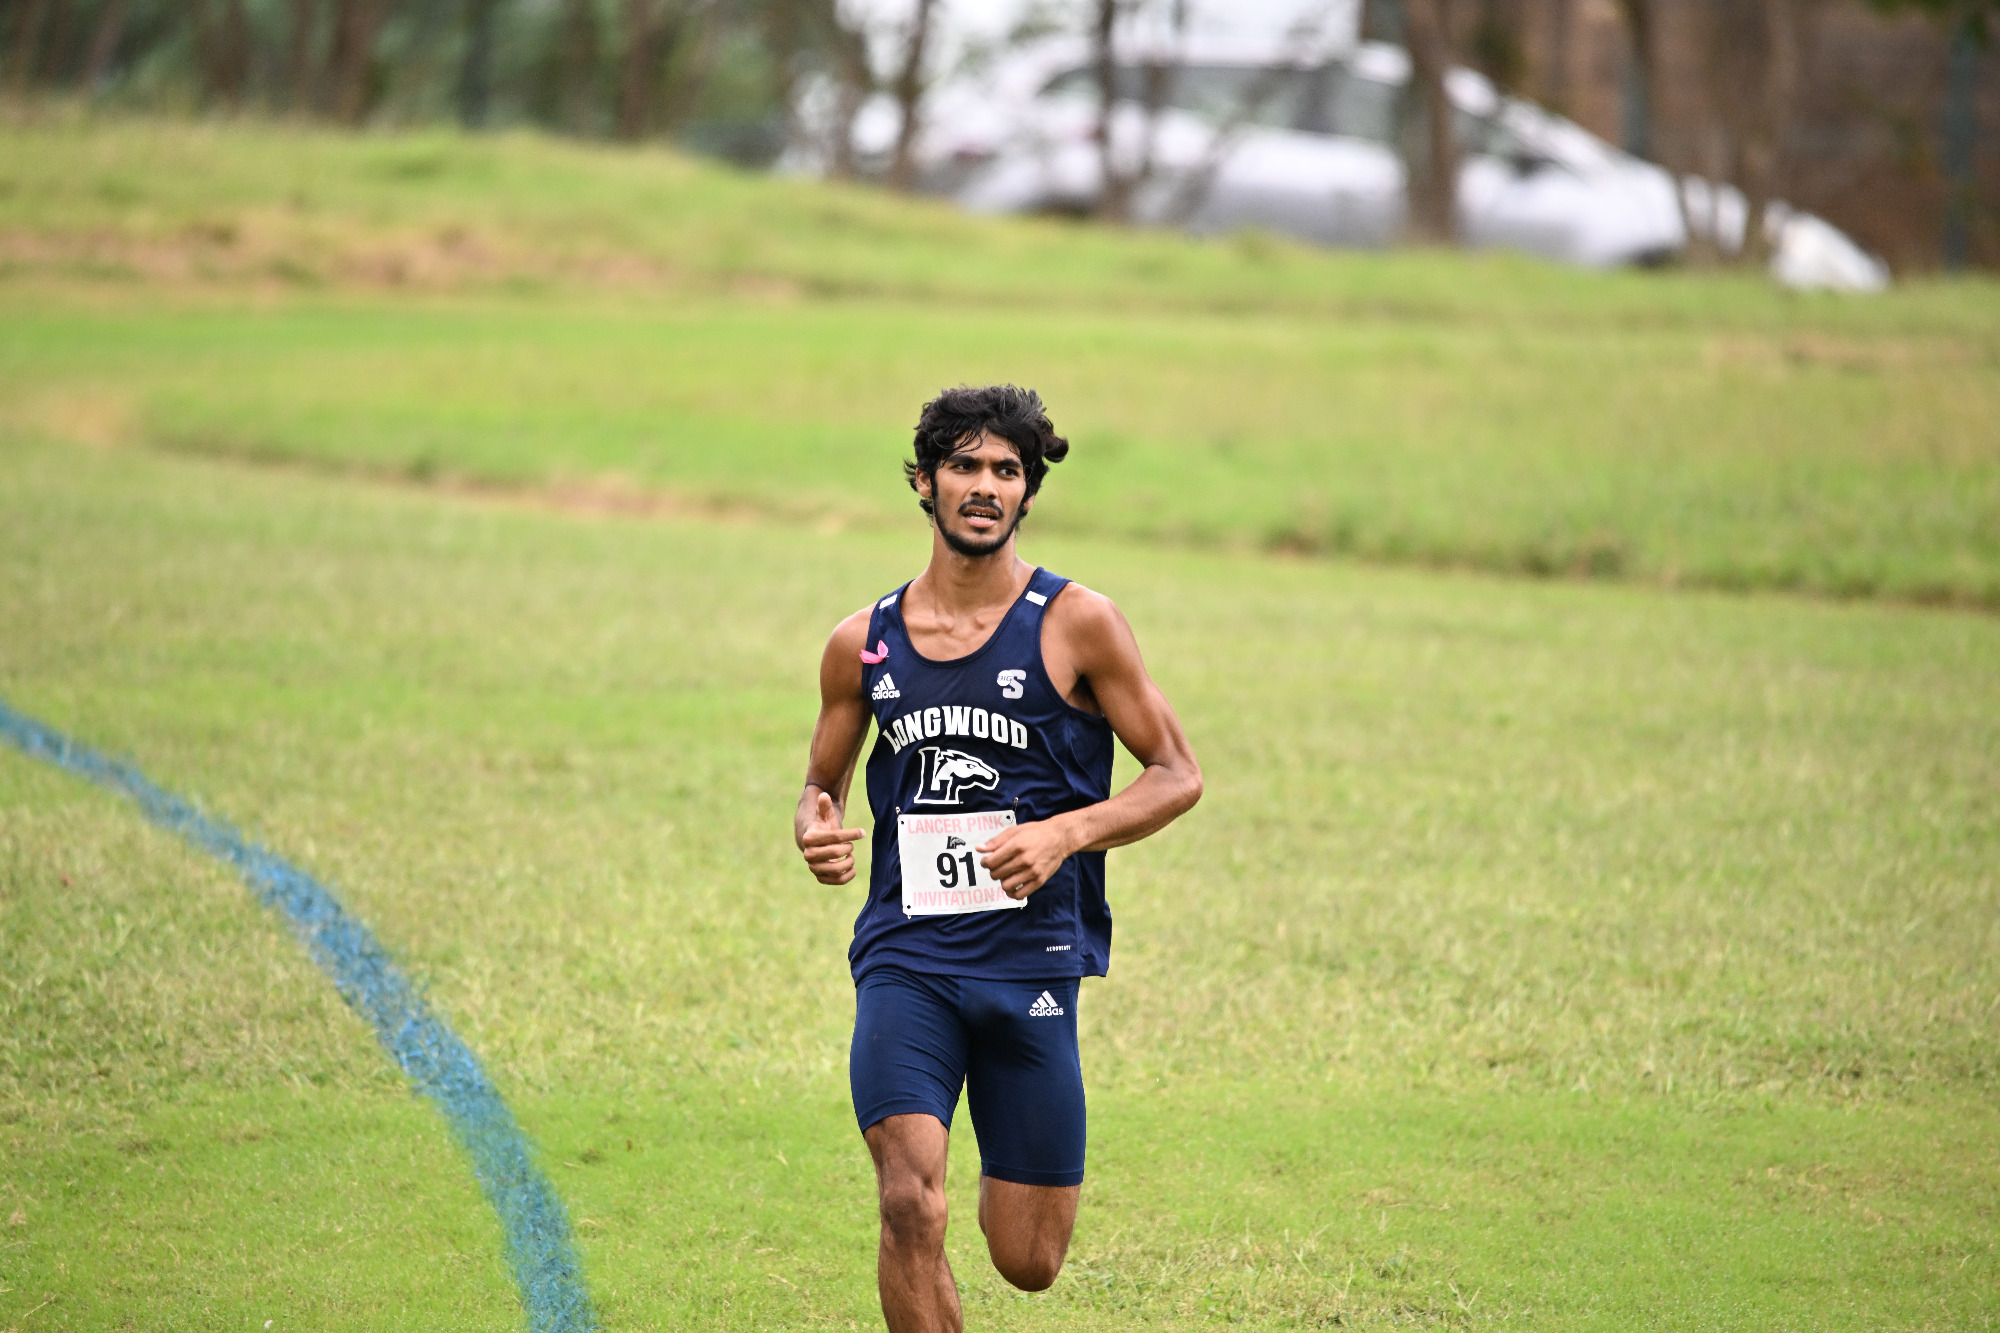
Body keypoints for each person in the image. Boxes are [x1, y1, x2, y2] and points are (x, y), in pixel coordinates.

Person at [794, 384, 1203, 1333]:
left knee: (1029, 1259)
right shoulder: (864, 643)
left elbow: (1176, 773)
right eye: (965, 465)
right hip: (909, 955)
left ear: (1026, 492)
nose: (984, 486)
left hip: (1032, 960)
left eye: (1006, 470)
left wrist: (1066, 830)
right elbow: (823, 785)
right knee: (909, 1200)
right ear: (927, 483)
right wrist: (816, 828)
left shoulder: (1078, 622)